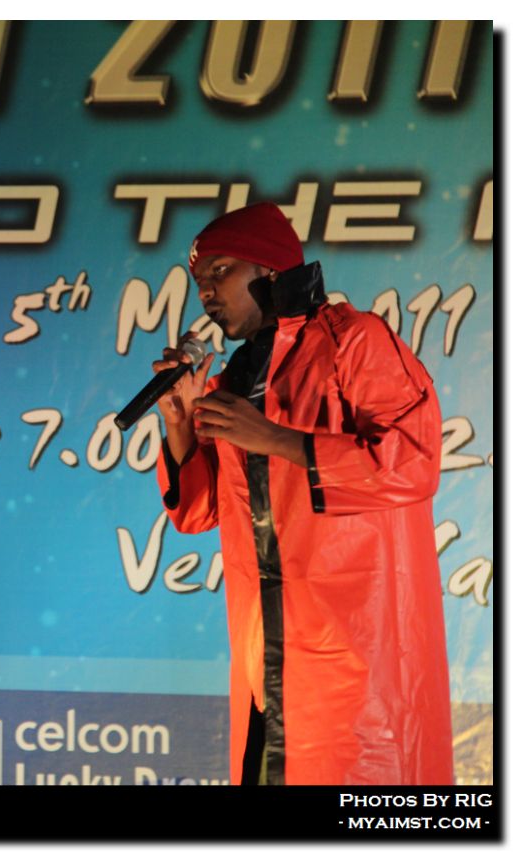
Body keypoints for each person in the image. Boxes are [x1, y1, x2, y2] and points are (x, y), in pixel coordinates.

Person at [152, 202, 452, 784]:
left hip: (359, 667)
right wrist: (180, 422)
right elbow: (198, 512)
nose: (206, 292)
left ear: (269, 269)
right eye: (199, 280)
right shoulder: (235, 379)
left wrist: (275, 439)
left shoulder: (354, 341)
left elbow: (413, 462)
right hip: (267, 661)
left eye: (220, 271)